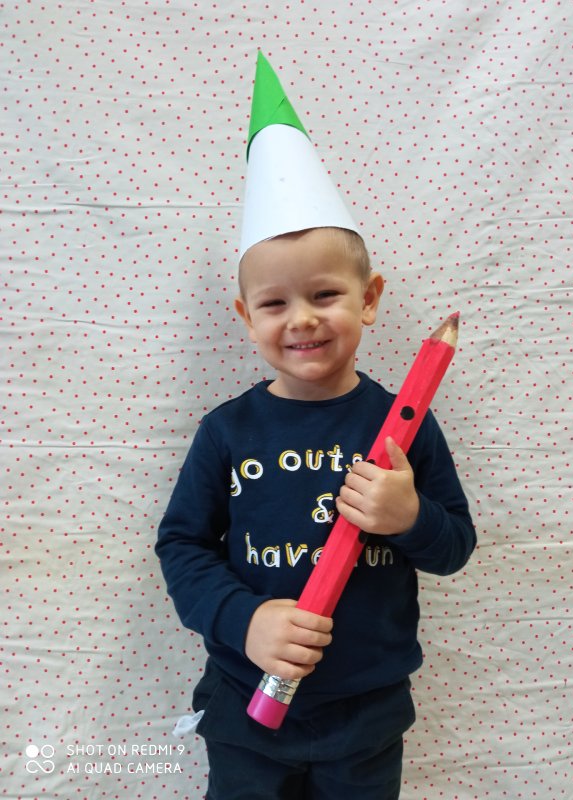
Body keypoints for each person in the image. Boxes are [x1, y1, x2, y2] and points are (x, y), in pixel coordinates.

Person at [155, 54, 476, 800]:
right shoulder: (226, 431)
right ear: (246, 317)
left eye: (326, 294)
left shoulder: (403, 426)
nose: (300, 319)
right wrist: (244, 620)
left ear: (370, 299)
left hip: (367, 717)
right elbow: (182, 546)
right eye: (274, 303)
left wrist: (410, 517)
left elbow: (455, 546)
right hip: (244, 705)